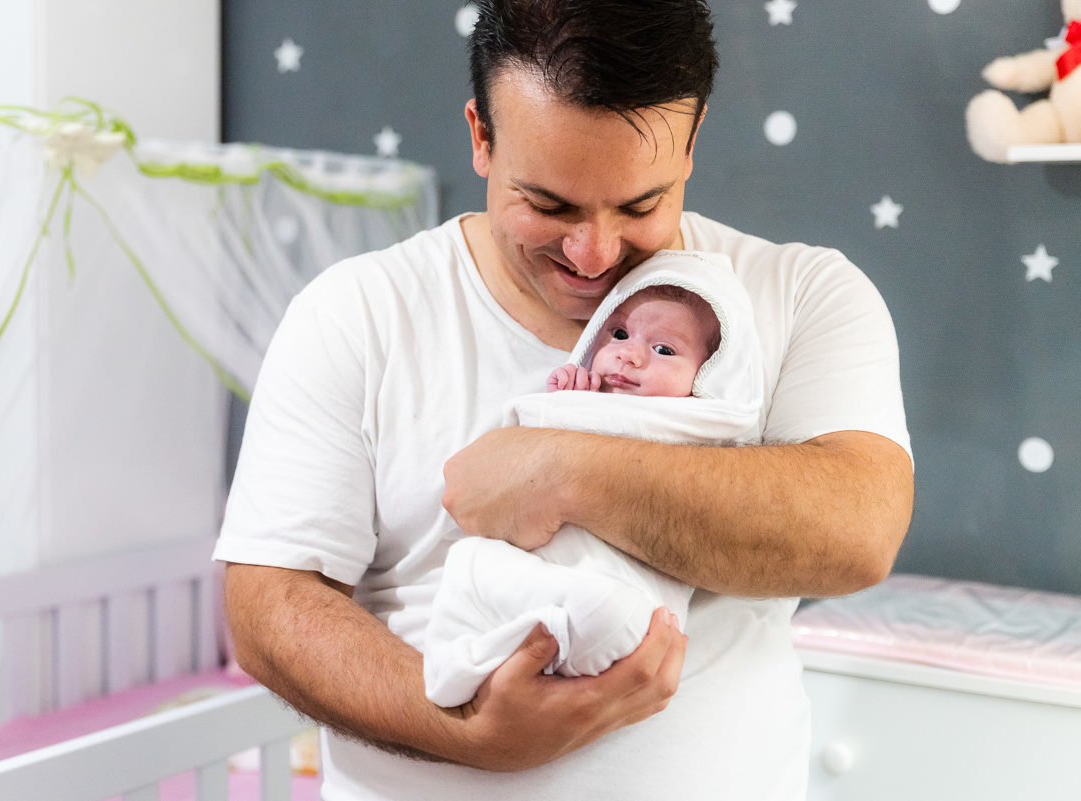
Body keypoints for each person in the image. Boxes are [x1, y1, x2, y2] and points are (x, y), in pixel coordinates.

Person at [214, 0, 914, 798]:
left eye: (640, 205)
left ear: (693, 141)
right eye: (549, 205)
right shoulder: (357, 313)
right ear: (481, 136)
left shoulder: (802, 293)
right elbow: (269, 604)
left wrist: (560, 470)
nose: (593, 253)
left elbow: (858, 530)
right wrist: (464, 728)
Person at [423, 250, 762, 708]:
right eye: (618, 333)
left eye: (664, 350)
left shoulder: (698, 434)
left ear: (709, 377)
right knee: (472, 560)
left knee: (610, 614)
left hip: (622, 605)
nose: (629, 355)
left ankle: (515, 651)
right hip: (543, 574)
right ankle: (466, 662)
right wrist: (567, 406)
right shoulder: (583, 397)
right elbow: (512, 465)